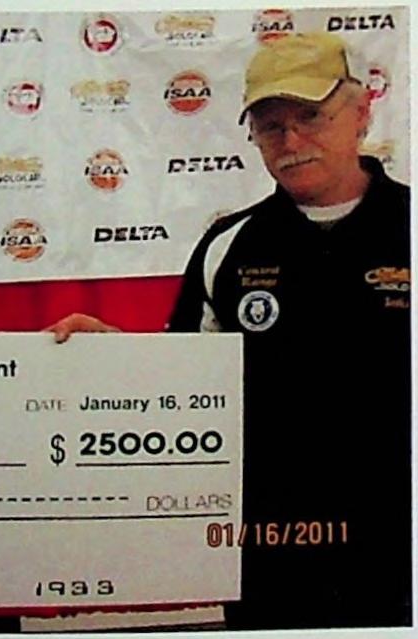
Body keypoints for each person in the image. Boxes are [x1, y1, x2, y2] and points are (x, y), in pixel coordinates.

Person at [49, 33, 410, 630]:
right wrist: (110, 359)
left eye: (310, 117)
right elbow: (185, 381)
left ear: (362, 113)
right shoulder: (230, 245)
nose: (291, 142)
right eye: (270, 126)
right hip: (273, 544)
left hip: (401, 541)